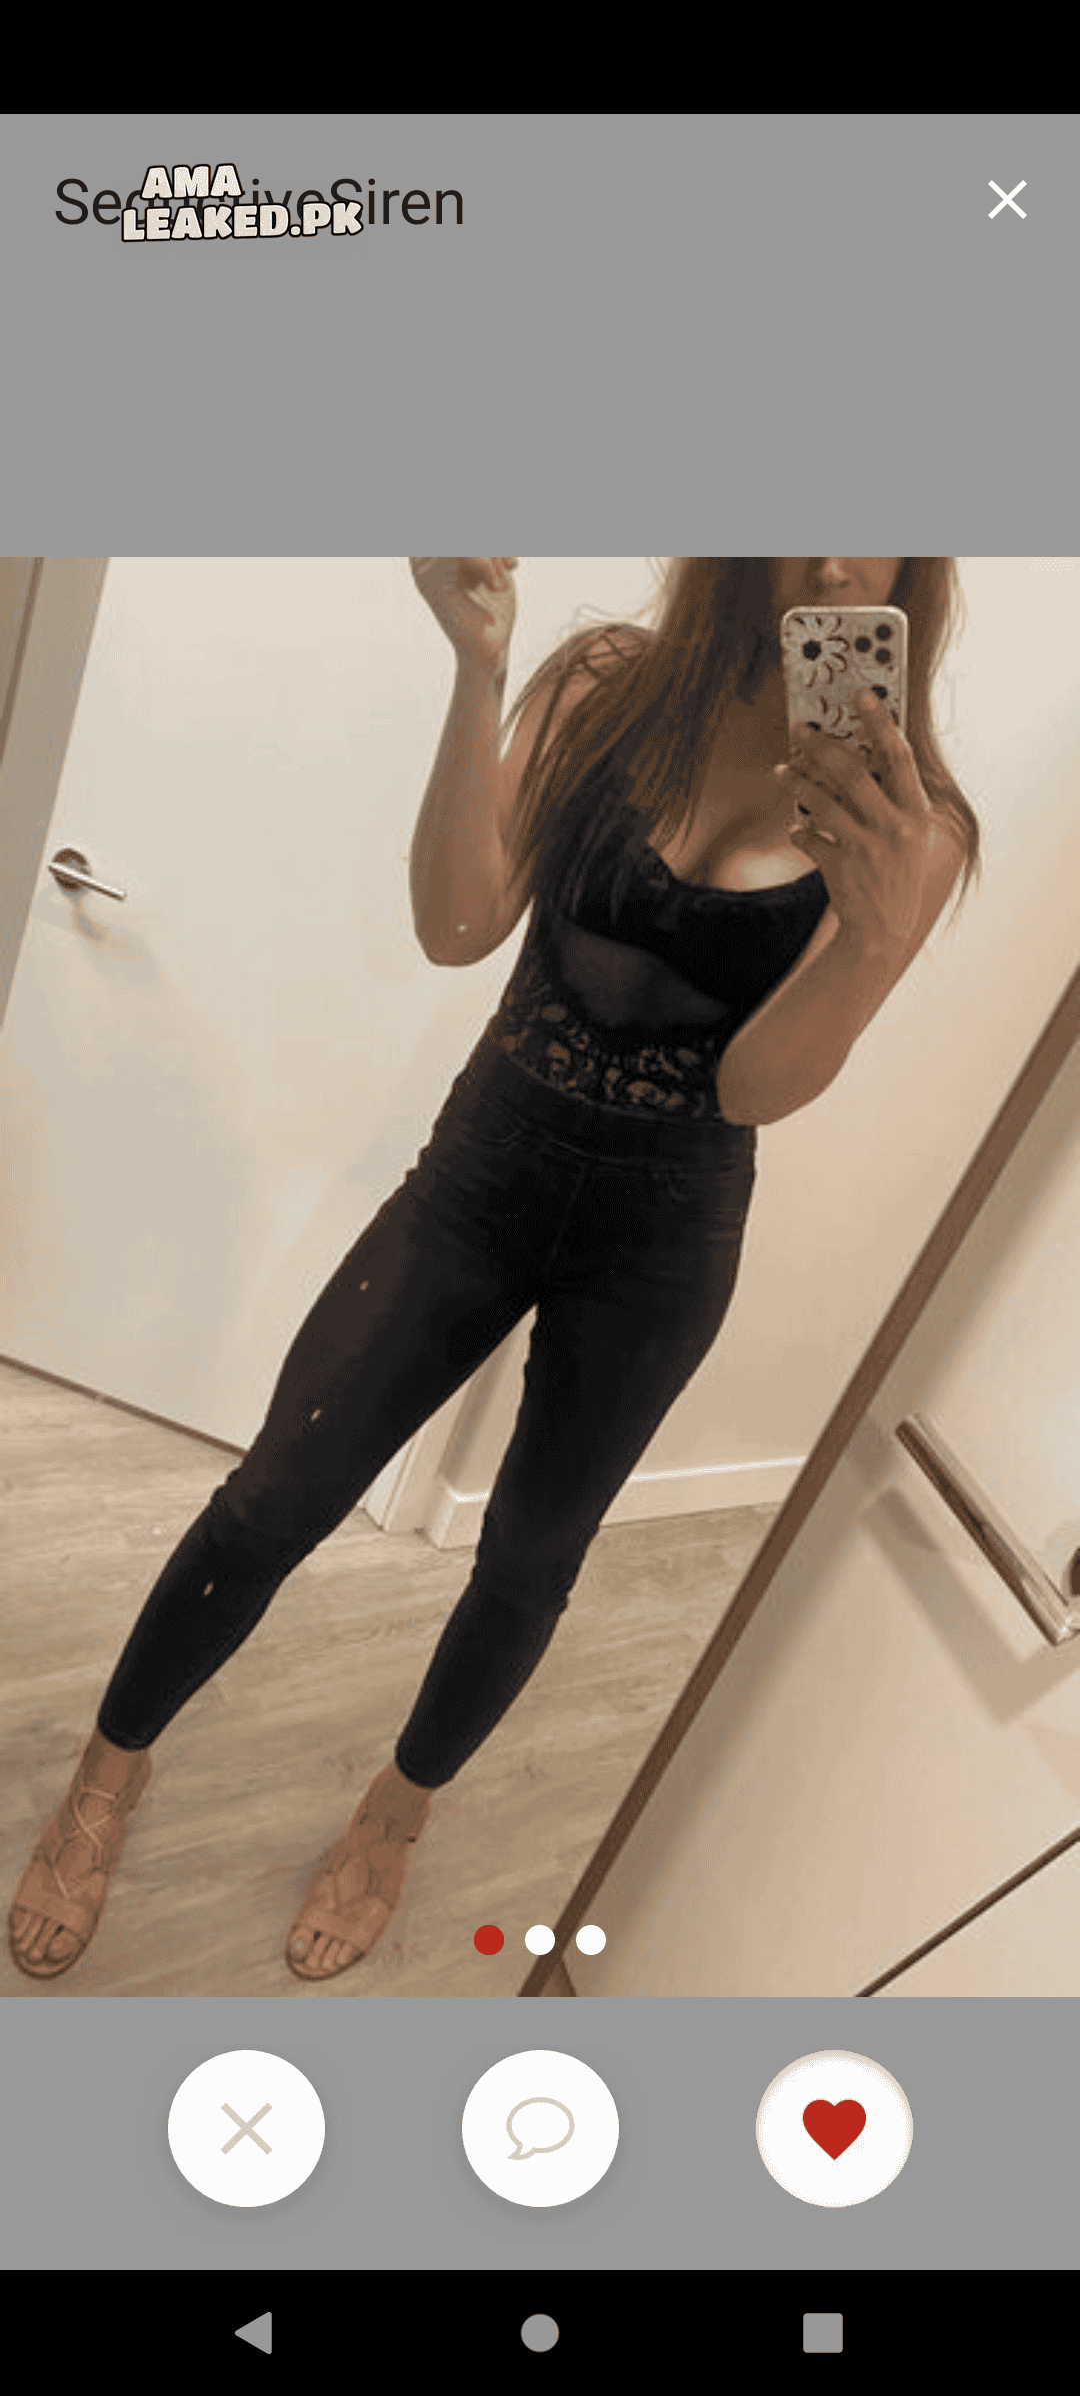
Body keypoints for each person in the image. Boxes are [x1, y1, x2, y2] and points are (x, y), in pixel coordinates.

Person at [8, 555, 980, 1985]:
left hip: (663, 1232)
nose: (837, 555)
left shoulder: (917, 824)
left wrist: (878, 934)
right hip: (481, 1172)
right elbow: (457, 925)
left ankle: (397, 1814)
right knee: (275, 1492)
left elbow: (754, 1089)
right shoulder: (602, 689)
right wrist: (477, 671)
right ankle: (109, 1772)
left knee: (530, 1561)